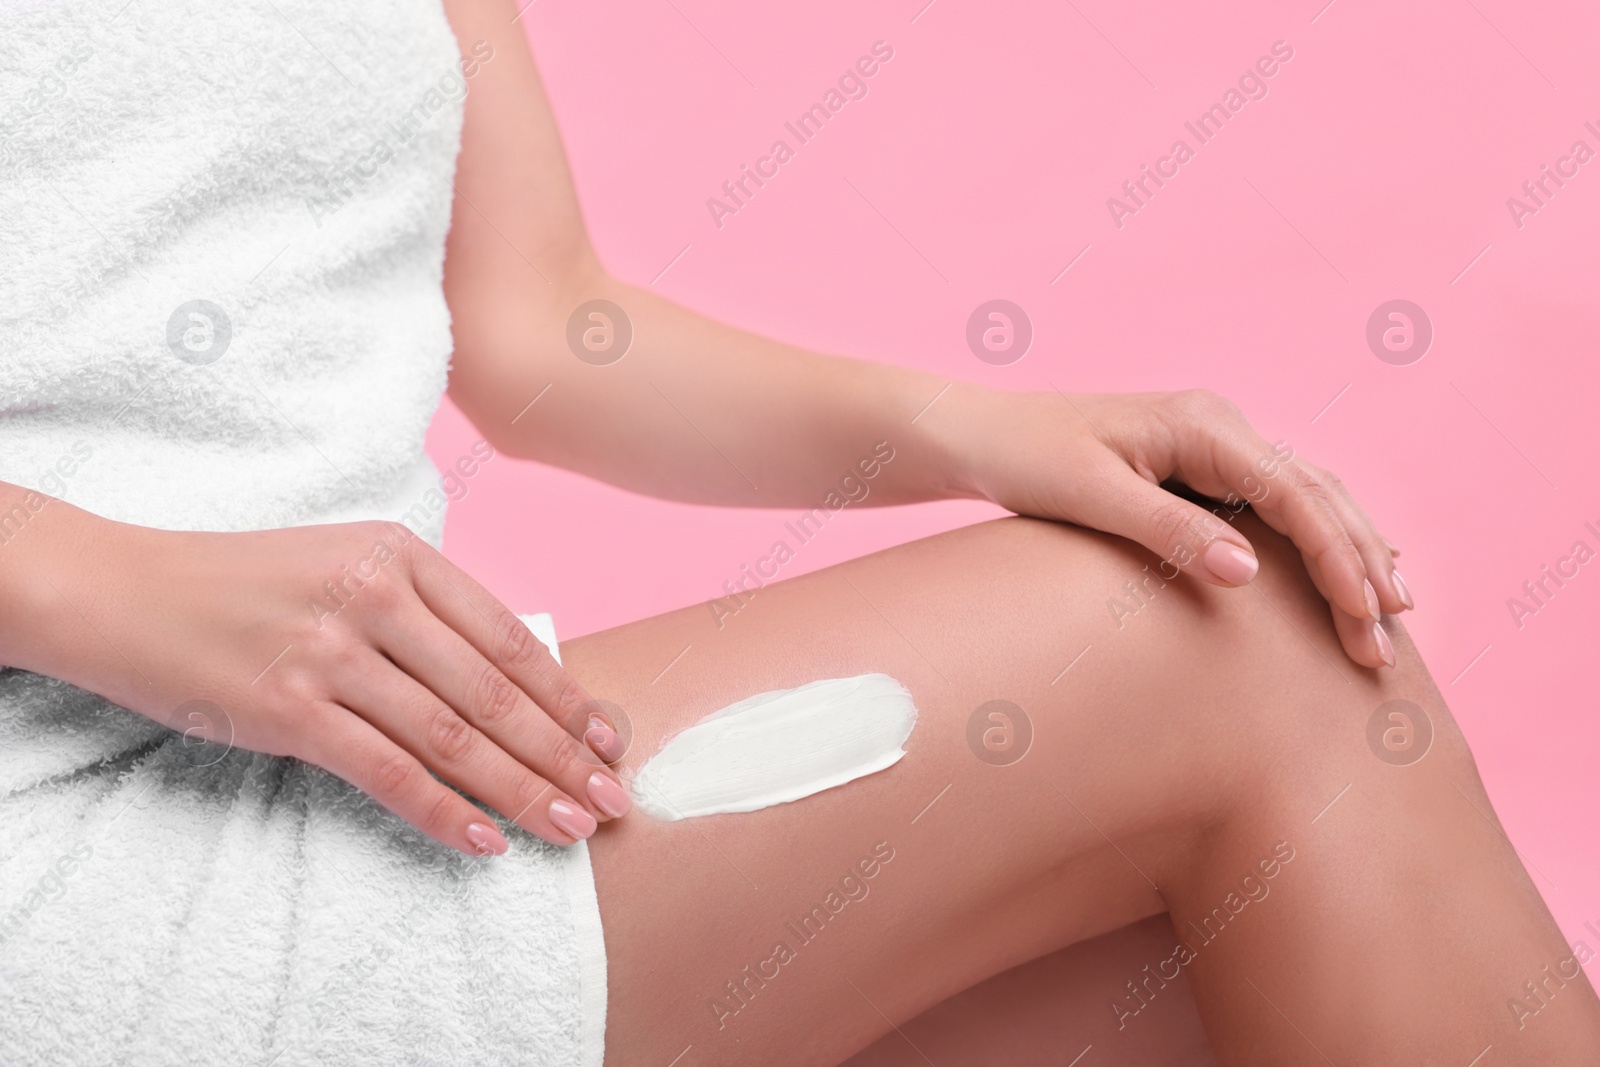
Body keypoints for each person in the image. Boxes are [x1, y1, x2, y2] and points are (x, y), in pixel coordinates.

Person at [2, 1, 1595, 1064]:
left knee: (1186, 974)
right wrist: (92, 583)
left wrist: (982, 427)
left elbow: (540, 324)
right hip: (67, 826)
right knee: (1230, 659)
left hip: (376, 764)